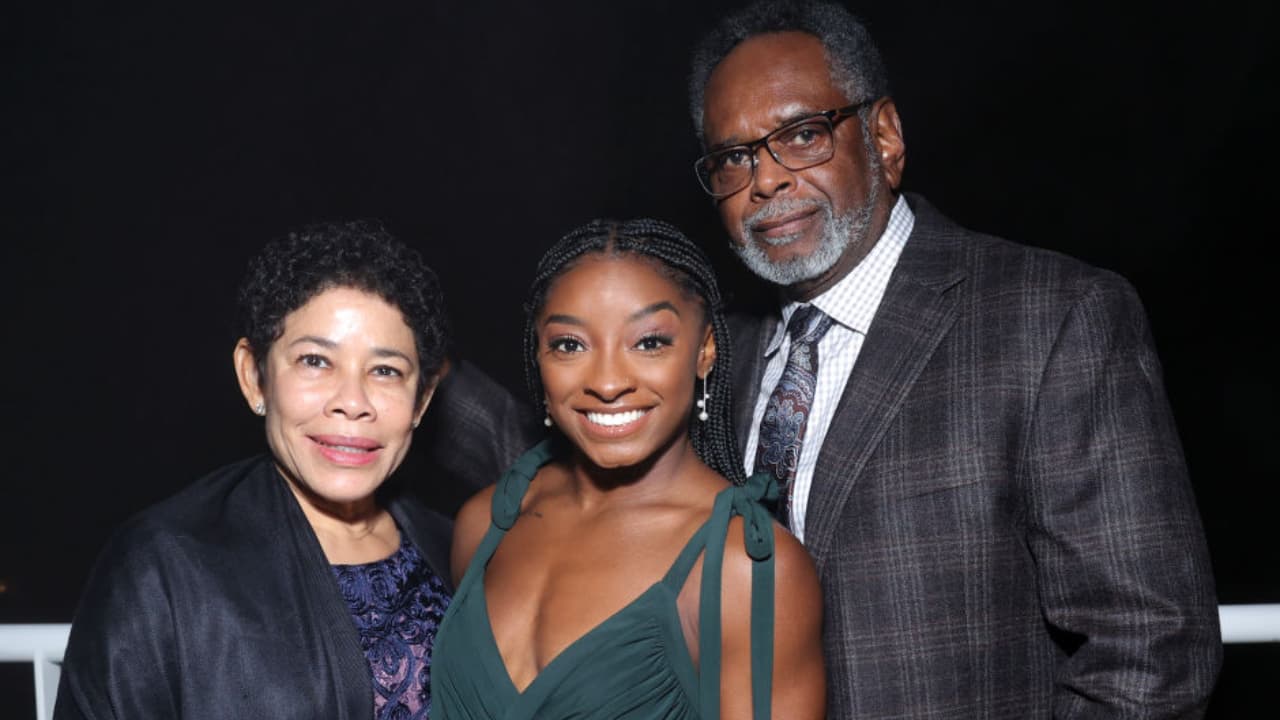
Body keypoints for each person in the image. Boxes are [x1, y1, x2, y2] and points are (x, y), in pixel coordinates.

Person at [424, 2, 1223, 718]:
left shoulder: (1047, 316)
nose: (766, 179)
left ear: (884, 137)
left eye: (802, 134)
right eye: (732, 157)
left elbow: (1151, 647)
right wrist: (399, 367)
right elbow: (575, 459)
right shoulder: (719, 353)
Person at [55, 222, 455, 720]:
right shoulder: (164, 566)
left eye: (385, 370)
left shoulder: (457, 551)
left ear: (421, 400)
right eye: (315, 361)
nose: (353, 402)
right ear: (254, 376)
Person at [428, 219, 825, 719]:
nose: (608, 382)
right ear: (538, 355)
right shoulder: (485, 524)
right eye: (570, 344)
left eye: (649, 342)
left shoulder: (745, 569)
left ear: (705, 351)